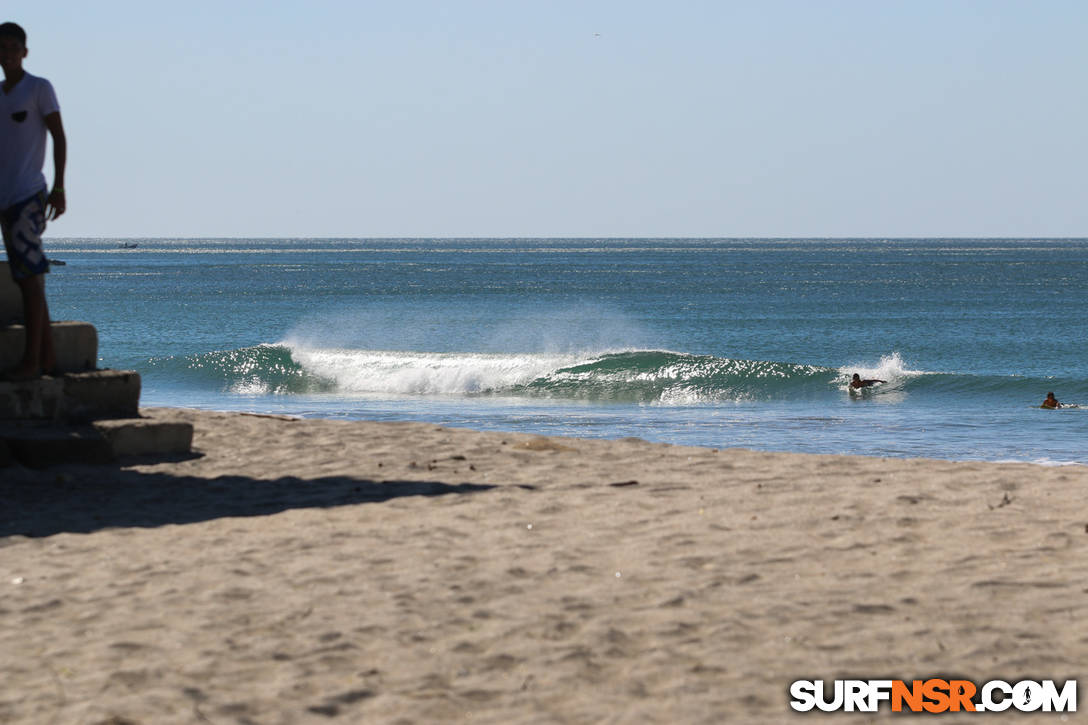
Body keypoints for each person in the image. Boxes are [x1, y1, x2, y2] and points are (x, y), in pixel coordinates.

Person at [0, 21, 66, 381]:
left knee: (29, 280)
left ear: (24, 51)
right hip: (5, 198)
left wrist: (59, 187)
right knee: (29, 278)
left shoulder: (38, 89)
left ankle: (32, 361)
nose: (7, 53)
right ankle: (48, 357)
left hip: (29, 194)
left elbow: (58, 136)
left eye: (13, 47)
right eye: (2, 47)